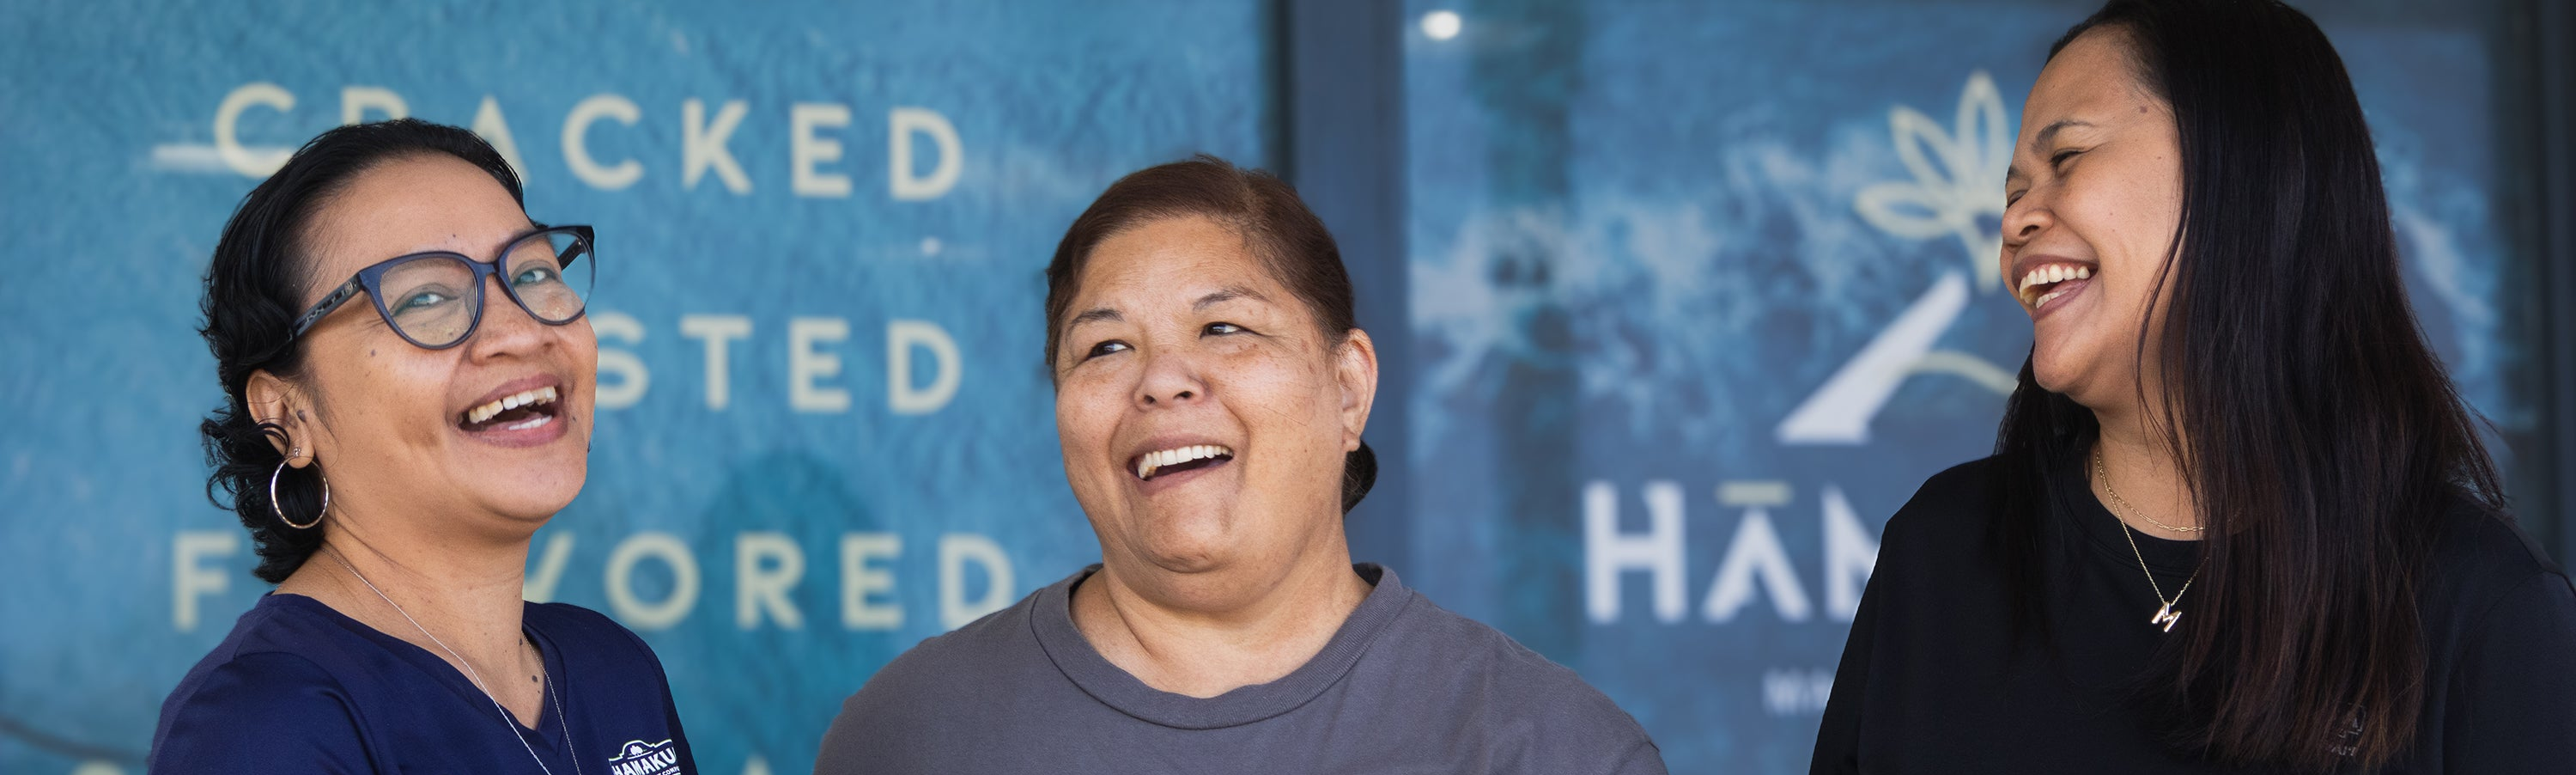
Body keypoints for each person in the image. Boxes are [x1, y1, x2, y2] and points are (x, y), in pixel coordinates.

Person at [1813, 1, 2576, 772]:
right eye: (2014, 192)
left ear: (2240, 167)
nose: (2014, 223)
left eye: (2068, 158)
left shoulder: (2480, 608)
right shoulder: (1942, 554)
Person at [814, 156, 1664, 774]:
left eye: (1225, 328)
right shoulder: (912, 732)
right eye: (1105, 346)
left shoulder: (1545, 746)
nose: (1161, 381)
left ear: (1347, 385)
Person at [152, 119, 695, 775]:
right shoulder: (264, 722)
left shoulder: (612, 668)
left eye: (530, 274)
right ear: (287, 415)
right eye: (427, 296)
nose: (520, 332)